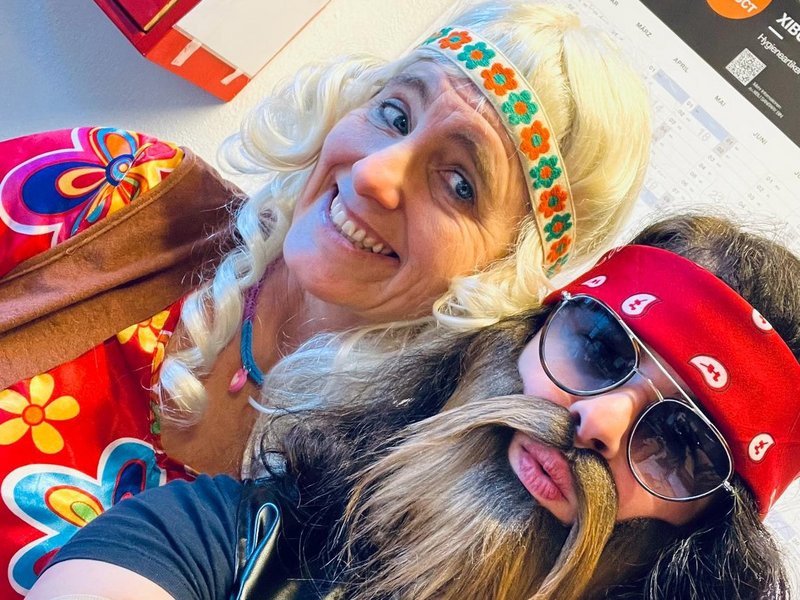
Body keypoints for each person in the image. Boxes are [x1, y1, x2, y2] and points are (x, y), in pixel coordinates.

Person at [0, 2, 652, 595]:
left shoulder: (378, 508)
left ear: (511, 274)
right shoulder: (115, 193)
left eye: (459, 183)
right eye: (394, 114)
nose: (373, 173)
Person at [28, 215, 800, 600]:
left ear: (708, 527)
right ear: (522, 336)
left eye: (681, 441)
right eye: (599, 347)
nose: (597, 422)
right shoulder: (234, 541)